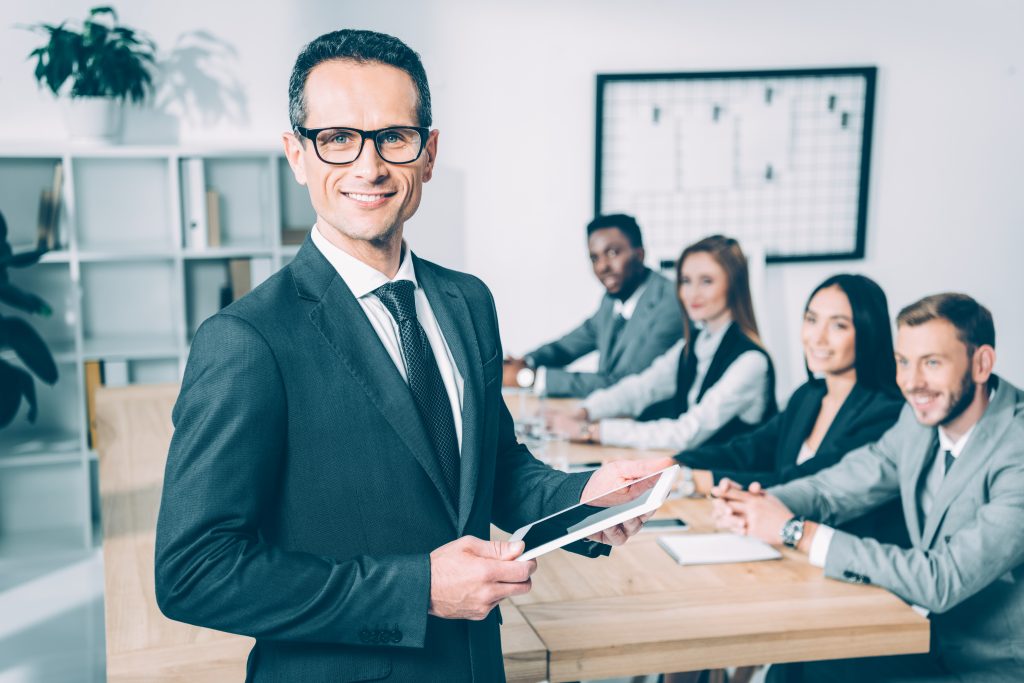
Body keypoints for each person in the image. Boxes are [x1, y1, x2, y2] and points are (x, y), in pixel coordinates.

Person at [154, 29, 670, 683]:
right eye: (336, 138)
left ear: (428, 153)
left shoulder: (467, 301)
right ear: (296, 154)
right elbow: (193, 571)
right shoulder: (250, 340)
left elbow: (495, 471)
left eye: (393, 137)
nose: (368, 166)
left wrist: (584, 500)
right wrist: (417, 587)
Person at [714, 293, 1024, 682]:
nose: (912, 383)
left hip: (987, 667)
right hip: (923, 639)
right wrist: (761, 503)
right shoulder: (918, 421)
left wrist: (795, 531)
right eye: (903, 362)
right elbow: (837, 485)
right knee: (794, 663)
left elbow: (941, 579)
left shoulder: (1018, 449)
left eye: (932, 363)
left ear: (981, 364)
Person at [676, 274, 906, 544]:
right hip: (778, 545)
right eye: (811, 320)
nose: (817, 337)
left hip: (833, 556)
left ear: (868, 332)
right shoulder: (808, 396)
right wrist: (678, 463)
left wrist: (696, 481)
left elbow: (799, 480)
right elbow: (748, 450)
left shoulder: (887, 413)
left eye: (838, 326)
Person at [548, 235, 777, 451]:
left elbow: (686, 433)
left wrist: (592, 431)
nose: (692, 293)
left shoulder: (751, 362)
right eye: (686, 281)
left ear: (733, 286)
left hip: (730, 484)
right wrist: (584, 411)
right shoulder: (692, 345)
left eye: (706, 281)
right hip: (691, 475)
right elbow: (641, 389)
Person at [502, 213, 682, 397]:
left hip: (651, 421)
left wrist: (531, 378)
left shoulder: (670, 304)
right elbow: (567, 347)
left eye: (612, 253)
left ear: (639, 255)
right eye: (595, 258)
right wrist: (526, 362)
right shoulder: (611, 301)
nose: (602, 267)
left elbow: (626, 384)